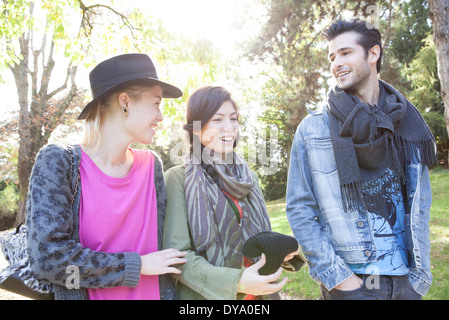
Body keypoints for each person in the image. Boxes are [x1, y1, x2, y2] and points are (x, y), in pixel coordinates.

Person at [286, 19, 437, 300]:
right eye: (332, 57)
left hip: (406, 282)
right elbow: (300, 208)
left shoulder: (406, 123)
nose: (336, 63)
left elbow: (420, 205)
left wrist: (418, 279)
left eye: (345, 53)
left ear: (373, 54)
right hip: (353, 282)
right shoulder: (313, 129)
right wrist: (340, 280)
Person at [26, 53, 187, 300]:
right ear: (125, 102)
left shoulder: (151, 166)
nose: (160, 116)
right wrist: (137, 265)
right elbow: (49, 259)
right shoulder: (59, 162)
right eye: (156, 103)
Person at [163, 86, 302, 300]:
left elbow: (258, 239)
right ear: (197, 128)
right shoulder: (178, 179)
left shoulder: (248, 178)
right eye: (217, 120)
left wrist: (281, 250)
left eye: (234, 118)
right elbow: (179, 258)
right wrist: (237, 282)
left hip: (261, 296)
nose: (229, 127)